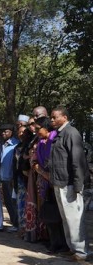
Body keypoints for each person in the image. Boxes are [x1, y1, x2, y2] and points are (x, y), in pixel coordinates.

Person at [48, 106, 89, 261]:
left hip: (70, 184)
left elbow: (77, 161)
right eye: (51, 117)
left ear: (64, 117)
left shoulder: (71, 133)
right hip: (59, 183)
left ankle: (81, 252)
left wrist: (78, 185)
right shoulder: (59, 134)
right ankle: (73, 249)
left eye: (54, 117)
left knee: (75, 219)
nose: (51, 120)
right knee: (66, 218)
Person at [33, 117, 69, 254]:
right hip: (45, 182)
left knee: (61, 215)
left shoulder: (56, 139)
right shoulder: (40, 143)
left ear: (46, 128)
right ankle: (54, 242)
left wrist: (51, 176)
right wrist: (42, 172)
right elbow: (35, 162)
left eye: (38, 129)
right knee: (49, 214)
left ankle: (65, 244)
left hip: (58, 181)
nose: (36, 131)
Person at [0, 124, 19, 232]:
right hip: (3, 178)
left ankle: (17, 224)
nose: (3, 133)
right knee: (7, 202)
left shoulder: (15, 144)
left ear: (11, 132)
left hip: (11, 178)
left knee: (13, 202)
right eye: (2, 132)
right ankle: (14, 222)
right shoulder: (2, 144)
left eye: (6, 131)